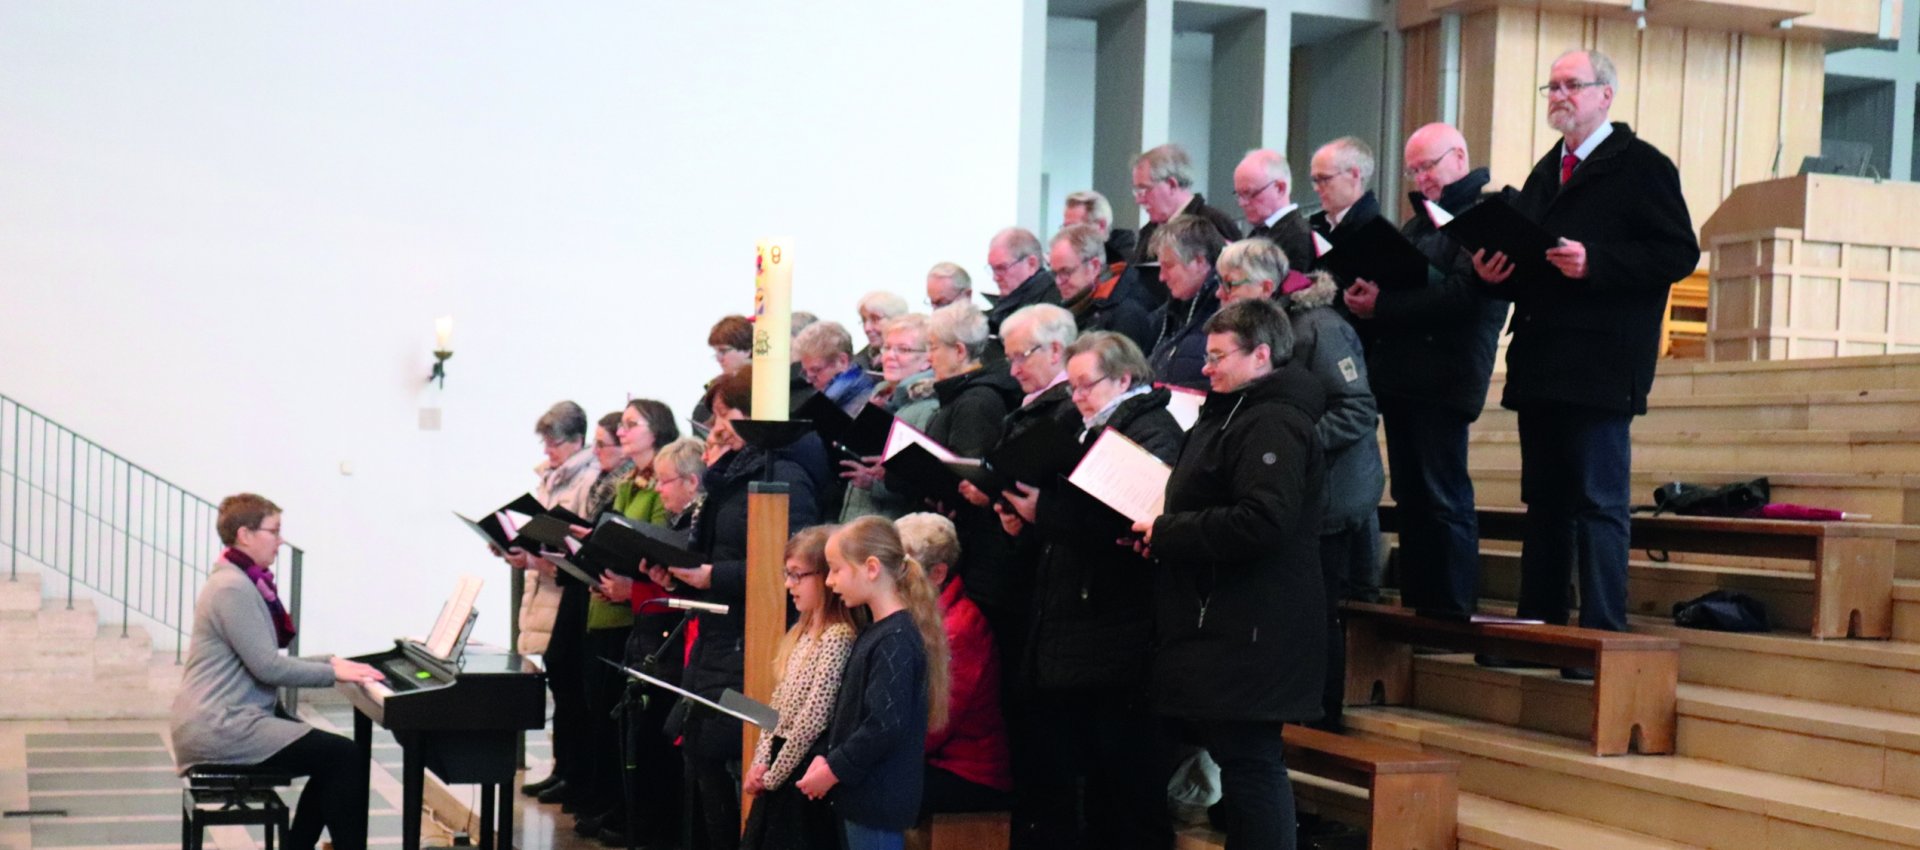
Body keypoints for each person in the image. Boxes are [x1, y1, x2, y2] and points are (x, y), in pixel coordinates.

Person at [1470, 50, 1698, 658]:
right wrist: (1493, 272)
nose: (1559, 94)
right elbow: (1529, 262)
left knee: (1599, 502)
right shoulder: (1549, 171)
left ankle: (1601, 633)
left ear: (1606, 95)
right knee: (1544, 503)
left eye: (1573, 85)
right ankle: (1539, 630)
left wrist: (1596, 261)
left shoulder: (1642, 165)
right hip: (1543, 358)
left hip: (1602, 360)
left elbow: (1678, 253)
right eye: (1553, 86)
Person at [1132, 299, 1327, 850]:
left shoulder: (1273, 421)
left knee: (1250, 762)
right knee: (1239, 760)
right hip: (1224, 621)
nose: (1205, 367)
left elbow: (1264, 520)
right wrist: (1162, 538)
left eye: (1218, 356)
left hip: (1255, 627)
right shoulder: (1233, 413)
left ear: (1261, 355)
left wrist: (1169, 532)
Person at [995, 331, 1181, 850]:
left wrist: (1046, 513)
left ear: (1124, 378)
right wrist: (1025, 519)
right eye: (1072, 386)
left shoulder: (1150, 429)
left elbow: (1126, 519)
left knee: (1128, 785)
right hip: (1081, 623)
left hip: (1120, 626)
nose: (1075, 397)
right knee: (1094, 784)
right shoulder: (1084, 429)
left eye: (1085, 386)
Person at [1342, 122, 1509, 619]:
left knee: (1442, 495)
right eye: (1413, 170)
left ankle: (1452, 612)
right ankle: (1420, 608)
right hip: (1404, 373)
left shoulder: (1483, 215)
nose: (1421, 178)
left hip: (1446, 374)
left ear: (1458, 156)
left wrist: (1385, 305)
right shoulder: (1420, 224)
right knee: (1411, 498)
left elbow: (1464, 296)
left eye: (1428, 166)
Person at [170, 494, 385, 850]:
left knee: (335, 758)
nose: (281, 541)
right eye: (275, 531)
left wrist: (331, 663)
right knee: (342, 756)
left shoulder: (238, 579)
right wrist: (333, 672)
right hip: (221, 725)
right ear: (245, 534)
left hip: (228, 717)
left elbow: (263, 658)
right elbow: (267, 666)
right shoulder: (232, 588)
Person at [672, 367, 824, 850]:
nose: (714, 427)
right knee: (702, 757)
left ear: (753, 416)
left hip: (752, 643)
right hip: (718, 638)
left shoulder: (784, 477)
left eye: (724, 414)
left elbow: (788, 566)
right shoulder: (730, 478)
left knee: (732, 758)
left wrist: (714, 576)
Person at [797, 517, 951, 850]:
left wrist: (833, 768)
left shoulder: (895, 638)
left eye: (836, 569)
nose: (830, 580)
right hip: (865, 796)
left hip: (878, 800)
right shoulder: (880, 631)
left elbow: (883, 725)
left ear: (871, 568)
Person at [577, 399, 680, 845]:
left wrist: (631, 583)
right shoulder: (628, 482)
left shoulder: (659, 484)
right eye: (620, 424)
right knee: (603, 718)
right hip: (612, 604)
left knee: (641, 730)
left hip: (641, 613)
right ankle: (615, 805)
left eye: (631, 424)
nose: (621, 432)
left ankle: (635, 814)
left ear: (656, 431)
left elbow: (659, 546)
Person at [596, 435, 705, 850]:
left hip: (675, 649)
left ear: (692, 483)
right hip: (652, 643)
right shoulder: (680, 522)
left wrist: (649, 587)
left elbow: (692, 599)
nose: (658, 490)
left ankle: (657, 832)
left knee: (663, 756)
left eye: (665, 482)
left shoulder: (697, 524)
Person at [741, 527, 859, 850]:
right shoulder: (801, 630)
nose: (788, 585)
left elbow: (814, 718)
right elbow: (776, 705)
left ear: (824, 577)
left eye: (797, 576)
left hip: (801, 769)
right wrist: (759, 761)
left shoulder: (837, 638)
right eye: (786, 574)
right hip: (779, 764)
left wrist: (773, 776)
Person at [895, 513, 1012, 817]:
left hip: (968, 771)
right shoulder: (926, 616)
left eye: (904, 569)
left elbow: (938, 723)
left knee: (868, 788)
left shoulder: (960, 628)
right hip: (934, 759)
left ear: (937, 573)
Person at [516, 401, 600, 808]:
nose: (548, 448)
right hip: (544, 590)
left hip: (567, 597)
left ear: (577, 440)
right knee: (559, 686)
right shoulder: (551, 476)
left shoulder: (588, 478)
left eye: (555, 441)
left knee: (570, 693)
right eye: (544, 440)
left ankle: (573, 774)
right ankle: (560, 768)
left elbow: (577, 543)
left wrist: (539, 555)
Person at [840, 314, 941, 522]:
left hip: (893, 528)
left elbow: (921, 481)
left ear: (927, 359)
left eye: (903, 350)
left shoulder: (928, 408)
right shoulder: (880, 397)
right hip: (861, 519)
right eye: (886, 348)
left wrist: (876, 483)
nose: (889, 356)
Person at [1130, 143, 1241, 308]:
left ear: (1172, 184)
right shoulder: (1149, 231)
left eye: (1145, 190)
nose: (1139, 199)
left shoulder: (1214, 223)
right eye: (1137, 191)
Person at [1147, 215, 1227, 389]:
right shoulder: (1170, 313)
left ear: (1199, 261)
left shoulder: (1224, 312)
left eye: (1168, 266)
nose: (1161, 277)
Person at [1049, 223, 1154, 352]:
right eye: (1054, 273)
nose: (1059, 281)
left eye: (1066, 272)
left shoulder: (1126, 315)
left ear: (1094, 266)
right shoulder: (1074, 306)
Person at [1232, 149, 1314, 274]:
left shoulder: (1299, 238)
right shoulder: (1260, 231)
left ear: (1280, 188)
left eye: (1249, 193)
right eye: (1238, 194)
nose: (1242, 203)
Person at [985, 227, 1063, 337]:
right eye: (993, 269)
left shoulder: (1050, 303)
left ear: (1031, 263)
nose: (995, 277)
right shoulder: (1010, 301)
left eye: (1002, 268)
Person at [1308, 137, 1382, 245]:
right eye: (1315, 180)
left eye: (1324, 179)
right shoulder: (1315, 226)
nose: (1316, 188)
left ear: (1354, 175)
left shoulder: (1374, 233)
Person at [796, 321, 879, 415]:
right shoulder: (825, 401)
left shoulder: (873, 403)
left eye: (816, 370)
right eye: (805, 372)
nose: (809, 380)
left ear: (843, 361)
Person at [694, 315, 754, 429]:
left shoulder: (763, 388)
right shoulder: (717, 385)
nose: (718, 359)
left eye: (723, 351)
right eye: (716, 352)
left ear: (747, 350)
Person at [1063, 189, 1136, 265]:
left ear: (1101, 226)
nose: (1067, 236)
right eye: (1065, 229)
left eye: (1074, 228)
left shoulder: (1125, 269)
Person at [855, 291, 911, 374]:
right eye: (864, 320)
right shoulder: (856, 363)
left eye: (875, 319)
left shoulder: (914, 363)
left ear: (897, 320)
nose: (867, 328)